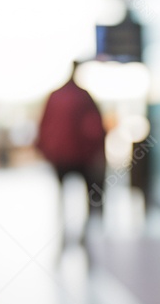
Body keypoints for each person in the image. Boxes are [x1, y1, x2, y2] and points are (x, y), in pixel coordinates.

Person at [36, 61, 107, 243]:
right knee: (89, 192)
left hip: (60, 156)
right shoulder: (83, 97)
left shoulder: (55, 96)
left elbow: (44, 125)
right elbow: (95, 126)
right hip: (81, 156)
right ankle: (86, 228)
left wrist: (44, 149)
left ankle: (63, 226)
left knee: (62, 192)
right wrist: (97, 149)